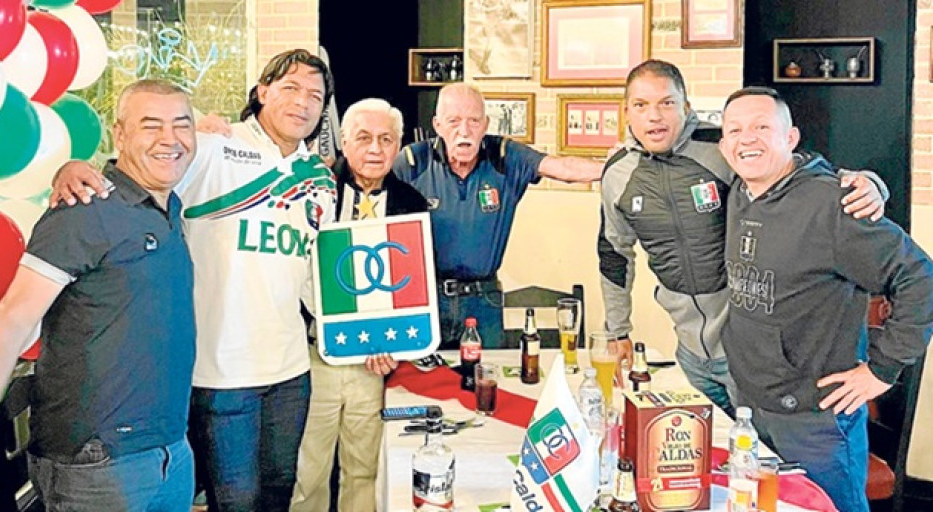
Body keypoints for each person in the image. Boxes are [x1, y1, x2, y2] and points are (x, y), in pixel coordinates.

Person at [49, 49, 338, 512]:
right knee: (236, 501)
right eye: (290, 88)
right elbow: (138, 173)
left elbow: (315, 272)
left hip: (291, 371)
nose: (302, 102)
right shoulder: (214, 146)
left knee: (279, 492)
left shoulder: (320, 178)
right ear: (263, 92)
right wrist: (76, 168)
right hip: (220, 372)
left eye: (315, 95)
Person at [597, 60, 886, 413]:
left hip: (751, 354)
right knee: (705, 443)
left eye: (667, 103)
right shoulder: (618, 173)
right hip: (689, 353)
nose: (654, 116)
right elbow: (614, 253)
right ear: (626, 112)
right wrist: (617, 330)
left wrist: (869, 183)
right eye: (641, 105)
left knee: (757, 443)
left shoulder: (720, 147)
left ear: (686, 107)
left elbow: (795, 172)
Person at [717, 86, 933, 511]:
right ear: (723, 145)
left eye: (762, 127)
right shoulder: (741, 191)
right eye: (735, 130)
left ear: (790, 138)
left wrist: (883, 369)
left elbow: (920, 277)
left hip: (815, 419)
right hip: (752, 404)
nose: (747, 139)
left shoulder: (832, 205)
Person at [0, 79, 197, 510]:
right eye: (150, 125)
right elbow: (10, 321)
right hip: (97, 463)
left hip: (171, 451)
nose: (170, 138)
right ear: (119, 134)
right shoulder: (84, 207)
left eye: (182, 124)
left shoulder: (168, 206)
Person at [393, 83, 605, 349]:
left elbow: (563, 168)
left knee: (489, 372)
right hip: (427, 298)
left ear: (486, 125)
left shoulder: (505, 156)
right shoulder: (413, 161)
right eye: (453, 121)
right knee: (425, 374)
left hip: (484, 300)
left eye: (474, 121)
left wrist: (617, 167)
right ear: (437, 125)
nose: (464, 131)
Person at [290, 98, 425, 512]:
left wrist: (394, 344)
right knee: (308, 472)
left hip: (373, 363)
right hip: (316, 356)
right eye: (364, 138)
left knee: (364, 471)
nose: (375, 149)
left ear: (398, 145)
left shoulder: (412, 204)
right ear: (344, 142)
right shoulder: (315, 193)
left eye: (386, 139)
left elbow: (413, 286)